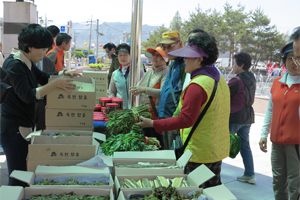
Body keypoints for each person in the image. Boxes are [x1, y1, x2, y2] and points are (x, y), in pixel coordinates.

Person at [136, 29, 230, 189]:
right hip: (216, 149)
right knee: (211, 190)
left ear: (200, 59)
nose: (185, 58)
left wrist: (153, 124)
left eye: (189, 55)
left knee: (192, 191)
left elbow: (185, 119)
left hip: (198, 152)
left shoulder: (197, 85)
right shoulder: (218, 79)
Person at [0, 24, 81, 186]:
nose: (45, 54)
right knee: (18, 176)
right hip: (13, 128)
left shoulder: (26, 61)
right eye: (43, 49)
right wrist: (54, 85)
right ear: (30, 47)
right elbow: (28, 96)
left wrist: (62, 74)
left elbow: (43, 76)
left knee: (23, 172)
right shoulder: (15, 65)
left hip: (23, 125)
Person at [259, 42, 300, 200]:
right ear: (284, 61)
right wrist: (264, 134)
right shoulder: (277, 82)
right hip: (277, 142)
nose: (294, 62)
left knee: (295, 183)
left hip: (296, 144)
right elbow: (270, 109)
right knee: (278, 181)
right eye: (290, 58)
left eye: (298, 58)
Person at [130, 46, 169, 148]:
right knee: (146, 143)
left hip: (157, 118)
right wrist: (136, 90)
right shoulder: (149, 72)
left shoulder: (166, 73)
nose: (154, 57)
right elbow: (140, 86)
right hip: (145, 116)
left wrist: (144, 90)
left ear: (165, 59)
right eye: (153, 55)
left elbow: (163, 93)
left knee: (157, 144)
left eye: (158, 55)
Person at [228, 52, 256, 184]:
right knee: (245, 146)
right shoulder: (252, 78)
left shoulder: (236, 80)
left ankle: (212, 172)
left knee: (222, 144)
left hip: (235, 116)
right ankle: (250, 174)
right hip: (248, 116)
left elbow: (222, 95)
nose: (233, 66)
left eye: (234, 63)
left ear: (242, 65)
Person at [157, 31, 187, 150]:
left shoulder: (186, 65)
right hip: (166, 119)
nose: (167, 50)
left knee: (174, 156)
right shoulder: (174, 64)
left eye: (170, 46)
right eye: (164, 47)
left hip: (175, 121)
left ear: (180, 44)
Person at [107, 43, 144, 109]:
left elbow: (145, 91)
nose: (122, 57)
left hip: (136, 110)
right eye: (120, 55)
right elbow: (111, 92)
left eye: (125, 55)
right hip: (120, 111)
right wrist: (115, 102)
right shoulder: (115, 74)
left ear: (130, 56)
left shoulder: (139, 71)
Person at [34, 55, 57, 131]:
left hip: (44, 101)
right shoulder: (25, 62)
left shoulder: (49, 62)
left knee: (42, 129)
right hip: (29, 101)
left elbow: (52, 78)